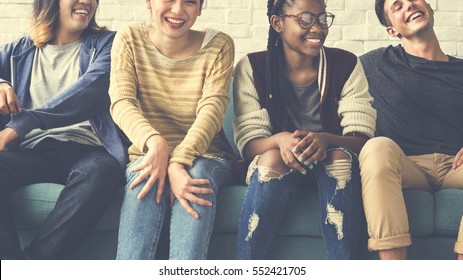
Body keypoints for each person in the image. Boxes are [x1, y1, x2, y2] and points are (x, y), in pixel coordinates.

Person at [233, 0, 376, 260]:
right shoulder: (252, 67)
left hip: (331, 161)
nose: (318, 28)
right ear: (277, 22)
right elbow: (249, 142)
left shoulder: (345, 64)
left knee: (339, 158)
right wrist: (279, 140)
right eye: (306, 18)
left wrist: (325, 140)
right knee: (273, 157)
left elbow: (362, 138)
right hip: (278, 163)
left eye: (323, 18)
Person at [0, 0, 126, 260]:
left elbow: (91, 90)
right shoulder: (15, 53)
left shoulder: (109, 45)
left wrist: (21, 124)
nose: (87, 2)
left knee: (101, 172)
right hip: (34, 151)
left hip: (89, 149)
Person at [109, 0, 234, 260]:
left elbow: (212, 111)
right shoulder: (129, 39)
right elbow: (121, 102)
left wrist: (178, 162)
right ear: (149, 2)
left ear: (200, 7)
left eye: (189, 2)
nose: (177, 10)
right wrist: (156, 143)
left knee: (196, 176)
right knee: (145, 174)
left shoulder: (219, 45)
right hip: (150, 153)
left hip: (207, 155)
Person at [359, 0, 463, 260]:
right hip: (406, 166)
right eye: (397, 6)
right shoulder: (373, 64)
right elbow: (319, 76)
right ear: (392, 30)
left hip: (456, 167)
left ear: (429, 8)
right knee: (376, 146)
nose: (409, 6)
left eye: (414, 0)